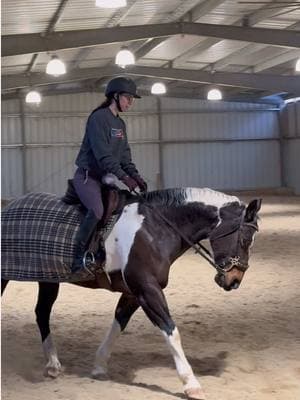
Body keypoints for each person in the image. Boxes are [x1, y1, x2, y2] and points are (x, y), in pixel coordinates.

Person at [71, 76, 147, 273]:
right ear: (115, 96)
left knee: (123, 208)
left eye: (132, 99)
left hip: (107, 178)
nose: (130, 103)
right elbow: (104, 156)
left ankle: (103, 251)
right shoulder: (98, 118)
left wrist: (135, 175)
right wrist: (125, 178)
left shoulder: (120, 125)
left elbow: (124, 155)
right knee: (97, 209)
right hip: (88, 177)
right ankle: (77, 256)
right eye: (127, 98)